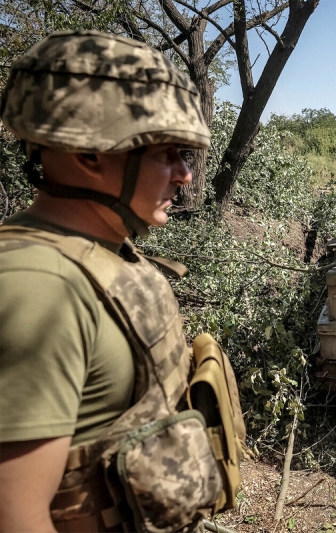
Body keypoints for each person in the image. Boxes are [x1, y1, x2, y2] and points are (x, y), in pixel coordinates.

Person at [0, 30, 239, 532]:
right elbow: (15, 514)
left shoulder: (104, 248)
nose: (184, 175)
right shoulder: (39, 288)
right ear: (91, 154)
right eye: (165, 154)